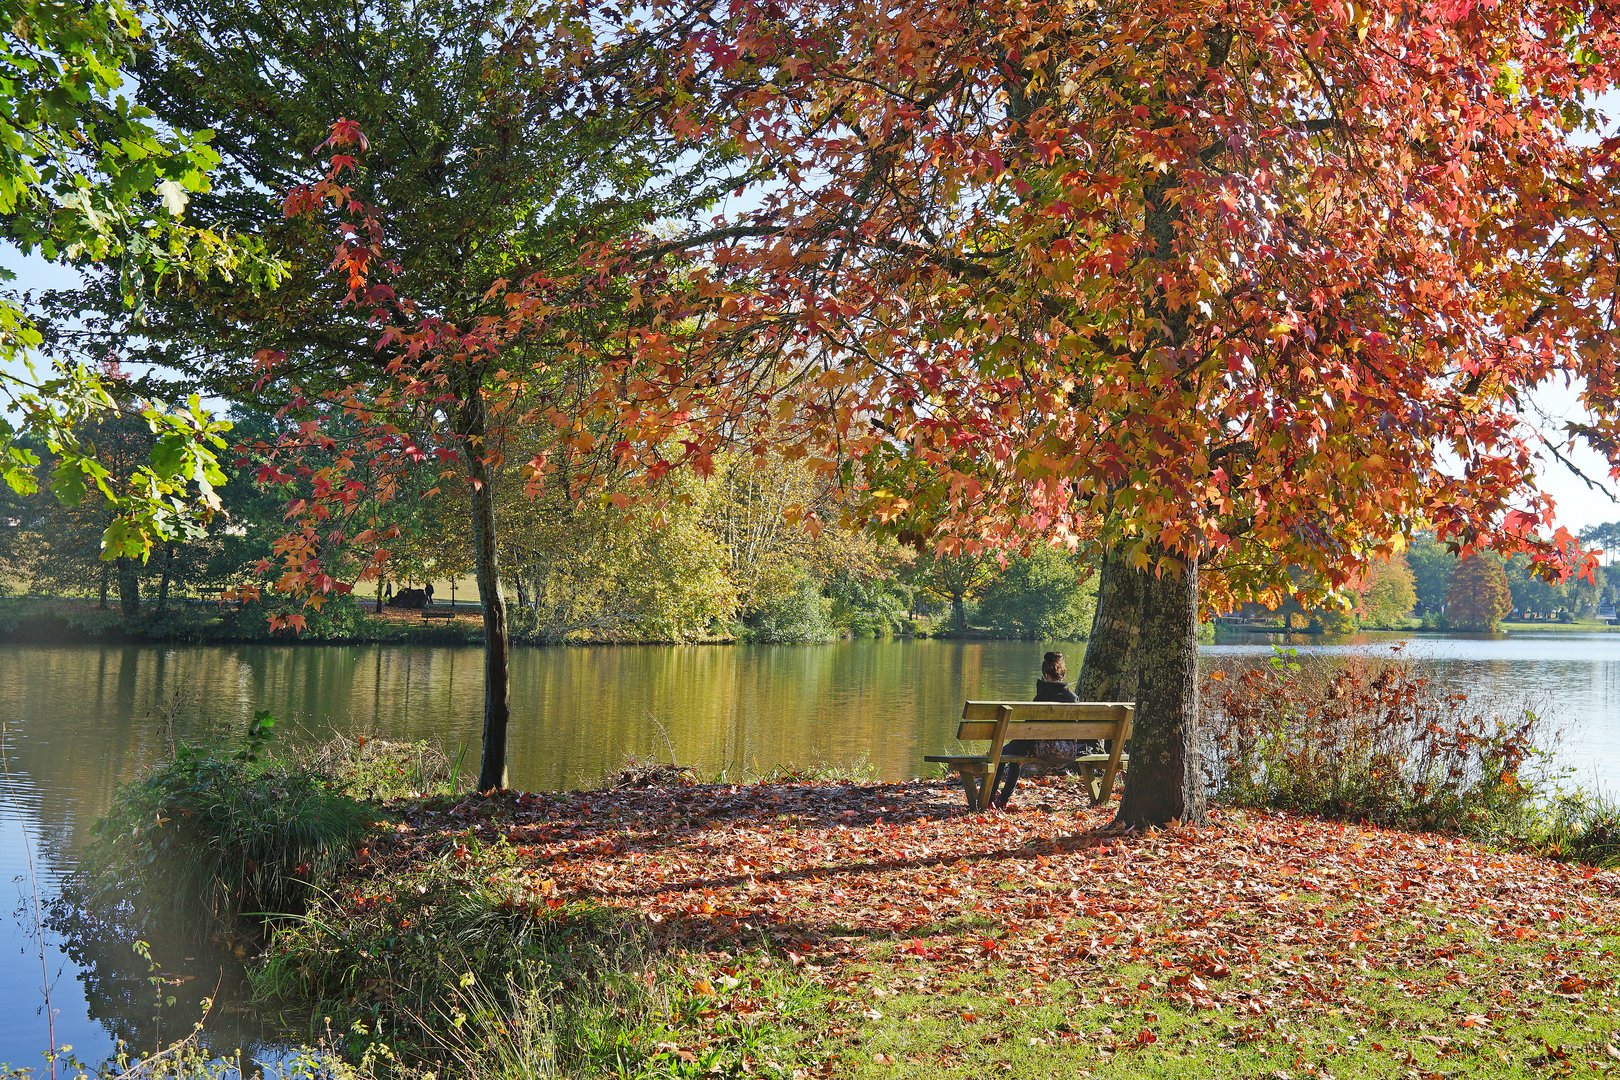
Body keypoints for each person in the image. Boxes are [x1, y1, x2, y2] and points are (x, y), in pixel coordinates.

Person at [989, 651, 1086, 809]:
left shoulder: (1041, 698)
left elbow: (1029, 730)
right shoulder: (1073, 698)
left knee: (1002, 752)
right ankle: (1002, 798)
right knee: (1014, 752)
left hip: (1042, 749)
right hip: (1066, 751)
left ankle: (994, 797)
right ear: (1061, 674)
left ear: (1046, 675)